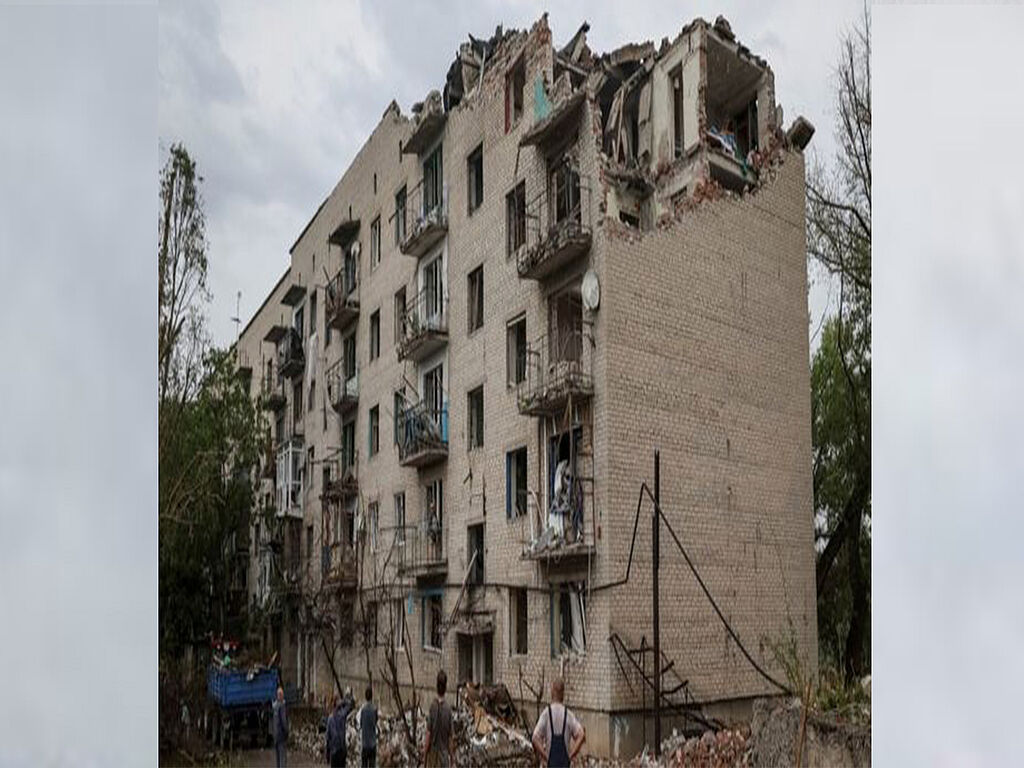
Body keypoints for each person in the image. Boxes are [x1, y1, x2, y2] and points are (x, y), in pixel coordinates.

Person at [532, 677, 586, 767]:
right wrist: (571, 755)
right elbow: (581, 735)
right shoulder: (568, 714)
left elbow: (535, 738)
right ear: (563, 694)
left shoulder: (546, 714)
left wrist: (545, 756)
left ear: (552, 691)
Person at [423, 670, 454, 767]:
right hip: (444, 757)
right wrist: (452, 759)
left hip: (433, 757)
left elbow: (428, 734)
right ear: (445, 687)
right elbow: (450, 738)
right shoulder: (448, 710)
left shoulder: (432, 707)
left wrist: (424, 755)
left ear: (437, 686)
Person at [326, 689, 355, 767]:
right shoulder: (342, 715)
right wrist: (344, 701)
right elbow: (351, 705)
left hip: (334, 752)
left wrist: (327, 753)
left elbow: (328, 738)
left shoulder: (330, 719)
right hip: (342, 750)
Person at [359, 685, 378, 767]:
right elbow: (375, 722)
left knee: (364, 765)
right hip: (372, 743)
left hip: (365, 743)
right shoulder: (374, 709)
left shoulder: (363, 710)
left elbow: (361, 724)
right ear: (372, 696)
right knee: (372, 765)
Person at [272, 685, 289, 768]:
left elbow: (274, 722)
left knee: (278, 759)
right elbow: (284, 721)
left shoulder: (274, 706)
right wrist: (287, 733)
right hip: (281, 736)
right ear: (281, 695)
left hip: (276, 736)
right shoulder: (282, 706)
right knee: (282, 758)